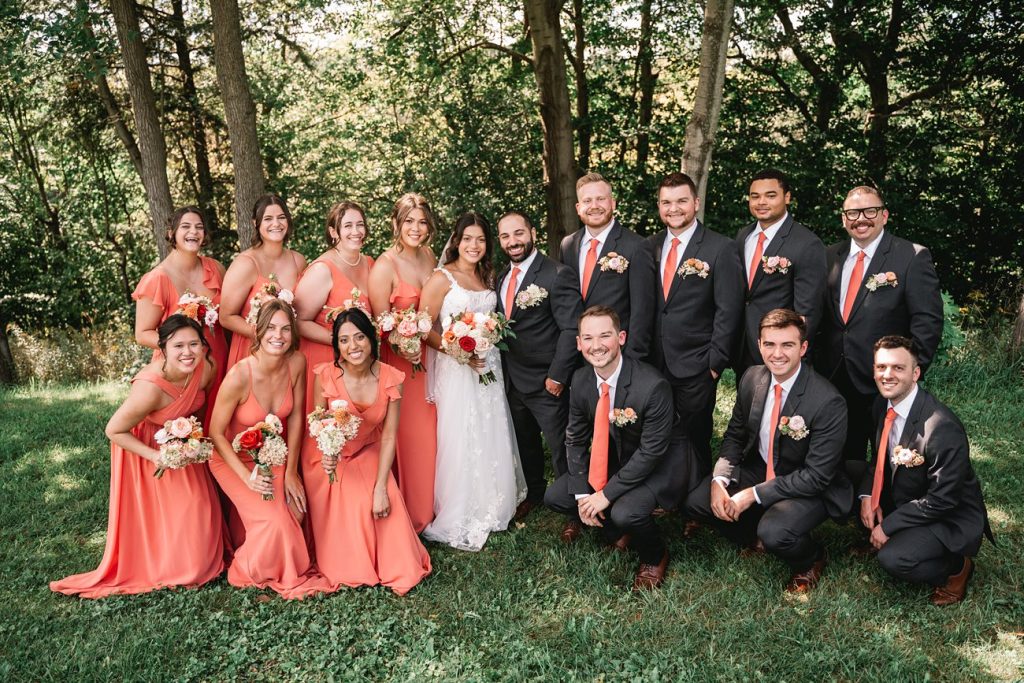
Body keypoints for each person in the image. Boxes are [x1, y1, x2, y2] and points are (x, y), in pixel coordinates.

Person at [51, 315, 225, 597]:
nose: (188, 352)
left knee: (201, 510)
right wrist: (155, 456)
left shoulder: (205, 369)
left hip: (183, 445)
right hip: (145, 449)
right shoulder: (150, 387)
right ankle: (164, 561)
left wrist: (192, 440)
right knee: (183, 522)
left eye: (194, 344)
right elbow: (114, 430)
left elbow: (198, 405)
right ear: (163, 348)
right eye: (178, 345)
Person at [686, 309, 852, 593]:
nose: (778, 354)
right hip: (762, 466)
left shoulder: (828, 402)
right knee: (697, 502)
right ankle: (753, 534)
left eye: (787, 345)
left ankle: (811, 559)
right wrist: (719, 481)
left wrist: (752, 494)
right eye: (770, 344)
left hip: (809, 484)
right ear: (760, 345)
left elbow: (816, 476)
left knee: (776, 532)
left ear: (803, 347)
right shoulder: (752, 377)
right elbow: (735, 436)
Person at [544, 306, 685, 590]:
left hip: (660, 464)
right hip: (618, 458)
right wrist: (585, 493)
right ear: (579, 343)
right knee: (558, 496)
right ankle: (619, 531)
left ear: (621, 337)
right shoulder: (581, 380)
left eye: (605, 336)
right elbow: (575, 438)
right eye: (588, 338)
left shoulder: (652, 385)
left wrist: (605, 496)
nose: (596, 346)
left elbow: (651, 452)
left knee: (626, 511)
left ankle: (654, 556)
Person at [208, 299, 333, 599]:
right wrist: (246, 477)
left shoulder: (297, 363)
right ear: (259, 331)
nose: (278, 336)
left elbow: (296, 418)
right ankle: (243, 569)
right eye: (271, 328)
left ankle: (274, 562)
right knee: (275, 522)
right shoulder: (240, 375)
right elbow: (215, 434)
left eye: (286, 329)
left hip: (272, 454)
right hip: (232, 459)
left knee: (296, 511)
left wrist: (291, 472)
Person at [418, 212, 526, 551]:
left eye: (480, 239)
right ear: (457, 240)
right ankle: (462, 508)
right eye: (468, 239)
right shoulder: (441, 278)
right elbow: (424, 327)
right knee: (462, 432)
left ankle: (493, 502)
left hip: (489, 364)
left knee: (489, 427)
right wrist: (455, 350)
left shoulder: (486, 275)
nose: (474, 245)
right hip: (457, 368)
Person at [303, 308, 431, 594]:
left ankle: (393, 564)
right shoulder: (325, 375)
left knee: (382, 498)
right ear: (336, 345)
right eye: (344, 340)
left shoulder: (390, 377)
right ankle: (351, 565)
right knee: (353, 500)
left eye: (360, 337)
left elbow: (388, 436)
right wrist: (329, 454)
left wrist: (381, 487)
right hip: (328, 457)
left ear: (371, 339)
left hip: (370, 448)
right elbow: (319, 423)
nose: (353, 347)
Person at [857, 336, 990, 606]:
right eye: (881, 367)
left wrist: (889, 526)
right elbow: (879, 459)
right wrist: (867, 495)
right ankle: (888, 531)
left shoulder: (941, 427)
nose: (887, 375)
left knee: (894, 559)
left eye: (898, 368)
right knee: (847, 473)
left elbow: (943, 499)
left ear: (916, 373)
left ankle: (955, 567)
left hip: (947, 515)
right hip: (909, 494)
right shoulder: (881, 405)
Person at [817, 186, 943, 462]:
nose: (861, 218)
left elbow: (927, 321)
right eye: (852, 213)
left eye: (869, 211)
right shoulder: (828, 257)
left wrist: (905, 373)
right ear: (843, 219)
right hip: (833, 374)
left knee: (886, 457)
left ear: (884, 215)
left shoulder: (911, 256)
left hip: (884, 378)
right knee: (838, 454)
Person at [646, 172, 744, 474]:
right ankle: (662, 494)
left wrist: (715, 362)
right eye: (666, 202)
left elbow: (728, 309)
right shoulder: (649, 248)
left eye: (681, 201)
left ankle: (696, 502)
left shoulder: (720, 247)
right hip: (655, 361)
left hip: (697, 362)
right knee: (657, 431)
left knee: (695, 433)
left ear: (696, 202)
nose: (673, 209)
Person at [495, 210, 581, 520]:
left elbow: (572, 329)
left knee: (562, 448)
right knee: (525, 443)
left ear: (532, 233)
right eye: (505, 236)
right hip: (512, 379)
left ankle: (573, 509)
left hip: (548, 381)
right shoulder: (501, 276)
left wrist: (557, 376)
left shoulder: (557, 274)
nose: (512, 241)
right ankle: (534, 492)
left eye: (518, 233)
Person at [368, 193, 439, 533]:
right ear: (395, 223)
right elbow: (379, 323)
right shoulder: (384, 266)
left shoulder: (429, 255)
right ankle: (412, 514)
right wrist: (402, 341)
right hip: (402, 363)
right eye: (409, 221)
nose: (416, 227)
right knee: (413, 436)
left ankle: (437, 505)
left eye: (422, 221)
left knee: (438, 433)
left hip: (434, 357)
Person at [132, 206, 229, 423]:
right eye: (185, 226)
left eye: (199, 227)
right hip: (181, 366)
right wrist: (181, 348)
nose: (193, 232)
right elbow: (142, 334)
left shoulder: (216, 269)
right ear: (171, 233)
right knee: (186, 433)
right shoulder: (156, 278)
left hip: (219, 361)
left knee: (217, 424)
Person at [733, 169, 826, 378]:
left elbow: (808, 311)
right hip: (743, 347)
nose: (761, 202)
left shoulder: (807, 244)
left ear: (787, 197)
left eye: (770, 195)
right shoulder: (744, 236)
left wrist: (794, 355)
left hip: (780, 353)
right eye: (755, 196)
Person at [557, 173, 656, 360]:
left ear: (613, 203)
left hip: (619, 356)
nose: (594, 206)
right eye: (587, 200)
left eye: (601, 199)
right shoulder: (568, 245)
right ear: (578, 208)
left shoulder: (636, 246)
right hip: (578, 357)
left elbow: (642, 311)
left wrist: (633, 360)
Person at [295, 201, 374, 413]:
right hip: (325, 358)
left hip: (358, 361)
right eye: (348, 226)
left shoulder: (369, 263)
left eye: (360, 225)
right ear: (333, 231)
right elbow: (298, 320)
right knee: (328, 429)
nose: (356, 231)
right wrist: (338, 342)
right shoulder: (322, 269)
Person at [220, 195, 307, 371]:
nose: (276, 223)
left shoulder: (298, 261)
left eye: (281, 217)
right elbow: (226, 317)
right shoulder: (245, 264)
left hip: (291, 352)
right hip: (253, 351)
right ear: (255, 223)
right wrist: (266, 335)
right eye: (268, 218)